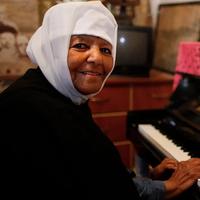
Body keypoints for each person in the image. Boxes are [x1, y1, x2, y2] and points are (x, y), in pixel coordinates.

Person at [0, 1, 200, 199]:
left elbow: (93, 173)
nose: (96, 58)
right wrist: (167, 188)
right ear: (54, 50)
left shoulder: (58, 94)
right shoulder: (28, 108)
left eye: (106, 50)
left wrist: (148, 178)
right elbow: (103, 191)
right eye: (80, 45)